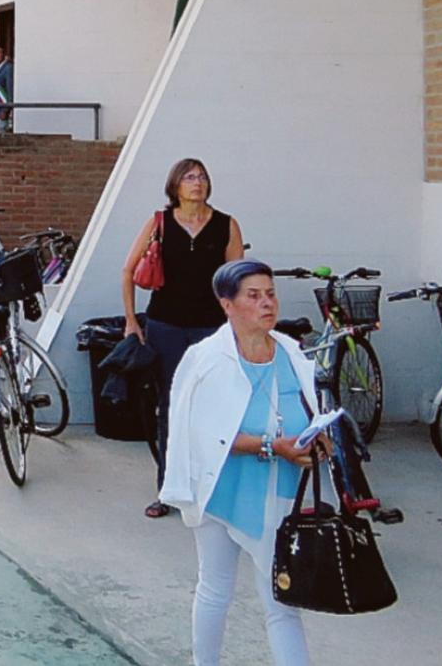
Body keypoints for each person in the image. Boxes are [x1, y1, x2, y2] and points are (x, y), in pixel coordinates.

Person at [159, 260, 317, 666]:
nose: (267, 303)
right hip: (220, 488)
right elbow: (202, 435)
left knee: (280, 599)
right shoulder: (207, 358)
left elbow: (308, 409)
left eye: (270, 293)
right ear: (227, 304)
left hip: (277, 491)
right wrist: (270, 446)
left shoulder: (290, 351)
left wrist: (322, 439)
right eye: (254, 295)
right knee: (215, 587)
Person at [122, 158, 244, 519]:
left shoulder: (225, 225)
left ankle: (212, 488)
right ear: (175, 185)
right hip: (166, 326)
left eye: (203, 176)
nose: (198, 182)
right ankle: (169, 489)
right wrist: (132, 321)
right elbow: (128, 270)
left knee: (214, 409)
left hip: (211, 329)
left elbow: (237, 279)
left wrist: (238, 327)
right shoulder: (160, 222)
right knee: (171, 409)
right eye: (190, 177)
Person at [0, 44, 14, 132]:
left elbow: (10, 89)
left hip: (3, 109)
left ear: (3, 54)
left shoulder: (8, 68)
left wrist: (6, 109)